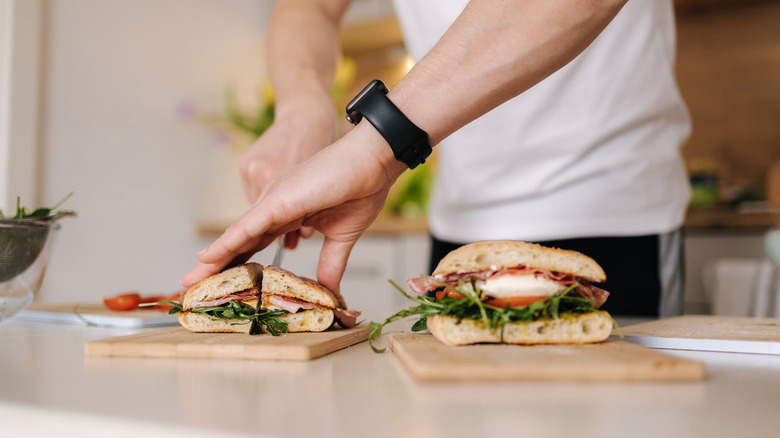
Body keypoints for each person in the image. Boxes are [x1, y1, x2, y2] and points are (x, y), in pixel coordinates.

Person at [181, 0, 691, 318]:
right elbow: (309, 6)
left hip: (617, 218)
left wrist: (378, 146)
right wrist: (300, 107)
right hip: (458, 230)